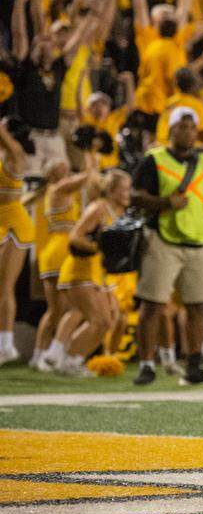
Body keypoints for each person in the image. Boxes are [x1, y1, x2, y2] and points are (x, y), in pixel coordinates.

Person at [131, 107, 203, 386]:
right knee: (152, 305)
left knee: (198, 307)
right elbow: (135, 196)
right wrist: (164, 203)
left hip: (199, 239)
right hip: (163, 238)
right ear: (170, 130)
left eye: (192, 127)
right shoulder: (154, 159)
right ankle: (147, 364)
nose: (188, 132)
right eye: (182, 126)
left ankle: (194, 365)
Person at [53, 169, 131, 376]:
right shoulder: (98, 208)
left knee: (107, 322)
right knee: (97, 320)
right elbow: (75, 236)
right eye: (124, 189)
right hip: (80, 269)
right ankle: (66, 360)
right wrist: (99, 248)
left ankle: (72, 360)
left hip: (96, 272)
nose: (128, 193)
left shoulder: (119, 213)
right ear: (111, 191)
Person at [30, 157, 95, 372]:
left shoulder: (61, 190)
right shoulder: (59, 188)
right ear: (51, 174)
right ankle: (43, 354)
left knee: (64, 310)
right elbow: (87, 176)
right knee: (59, 310)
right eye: (61, 168)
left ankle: (50, 354)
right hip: (60, 251)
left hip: (61, 251)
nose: (67, 169)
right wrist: (90, 152)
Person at [0, 117, 33, 366]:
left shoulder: (16, 153)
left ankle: (6, 345)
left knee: (5, 286)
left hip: (14, 225)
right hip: (2, 221)